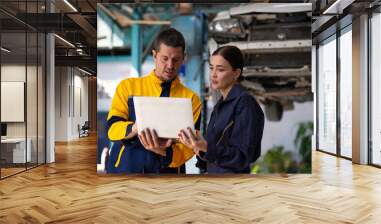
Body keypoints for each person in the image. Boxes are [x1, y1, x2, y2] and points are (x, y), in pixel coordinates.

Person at [106, 28, 202, 174]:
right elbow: (112, 129)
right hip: (126, 168)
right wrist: (134, 128)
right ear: (154, 55)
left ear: (184, 58)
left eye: (176, 60)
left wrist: (162, 150)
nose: (170, 65)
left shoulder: (191, 99)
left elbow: (189, 148)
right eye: (165, 58)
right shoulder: (128, 87)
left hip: (166, 174)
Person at [178, 46, 264, 174]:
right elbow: (213, 151)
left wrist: (206, 147)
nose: (213, 74)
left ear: (236, 73)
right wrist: (197, 147)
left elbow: (243, 156)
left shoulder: (245, 104)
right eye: (212, 68)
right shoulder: (221, 104)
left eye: (220, 69)